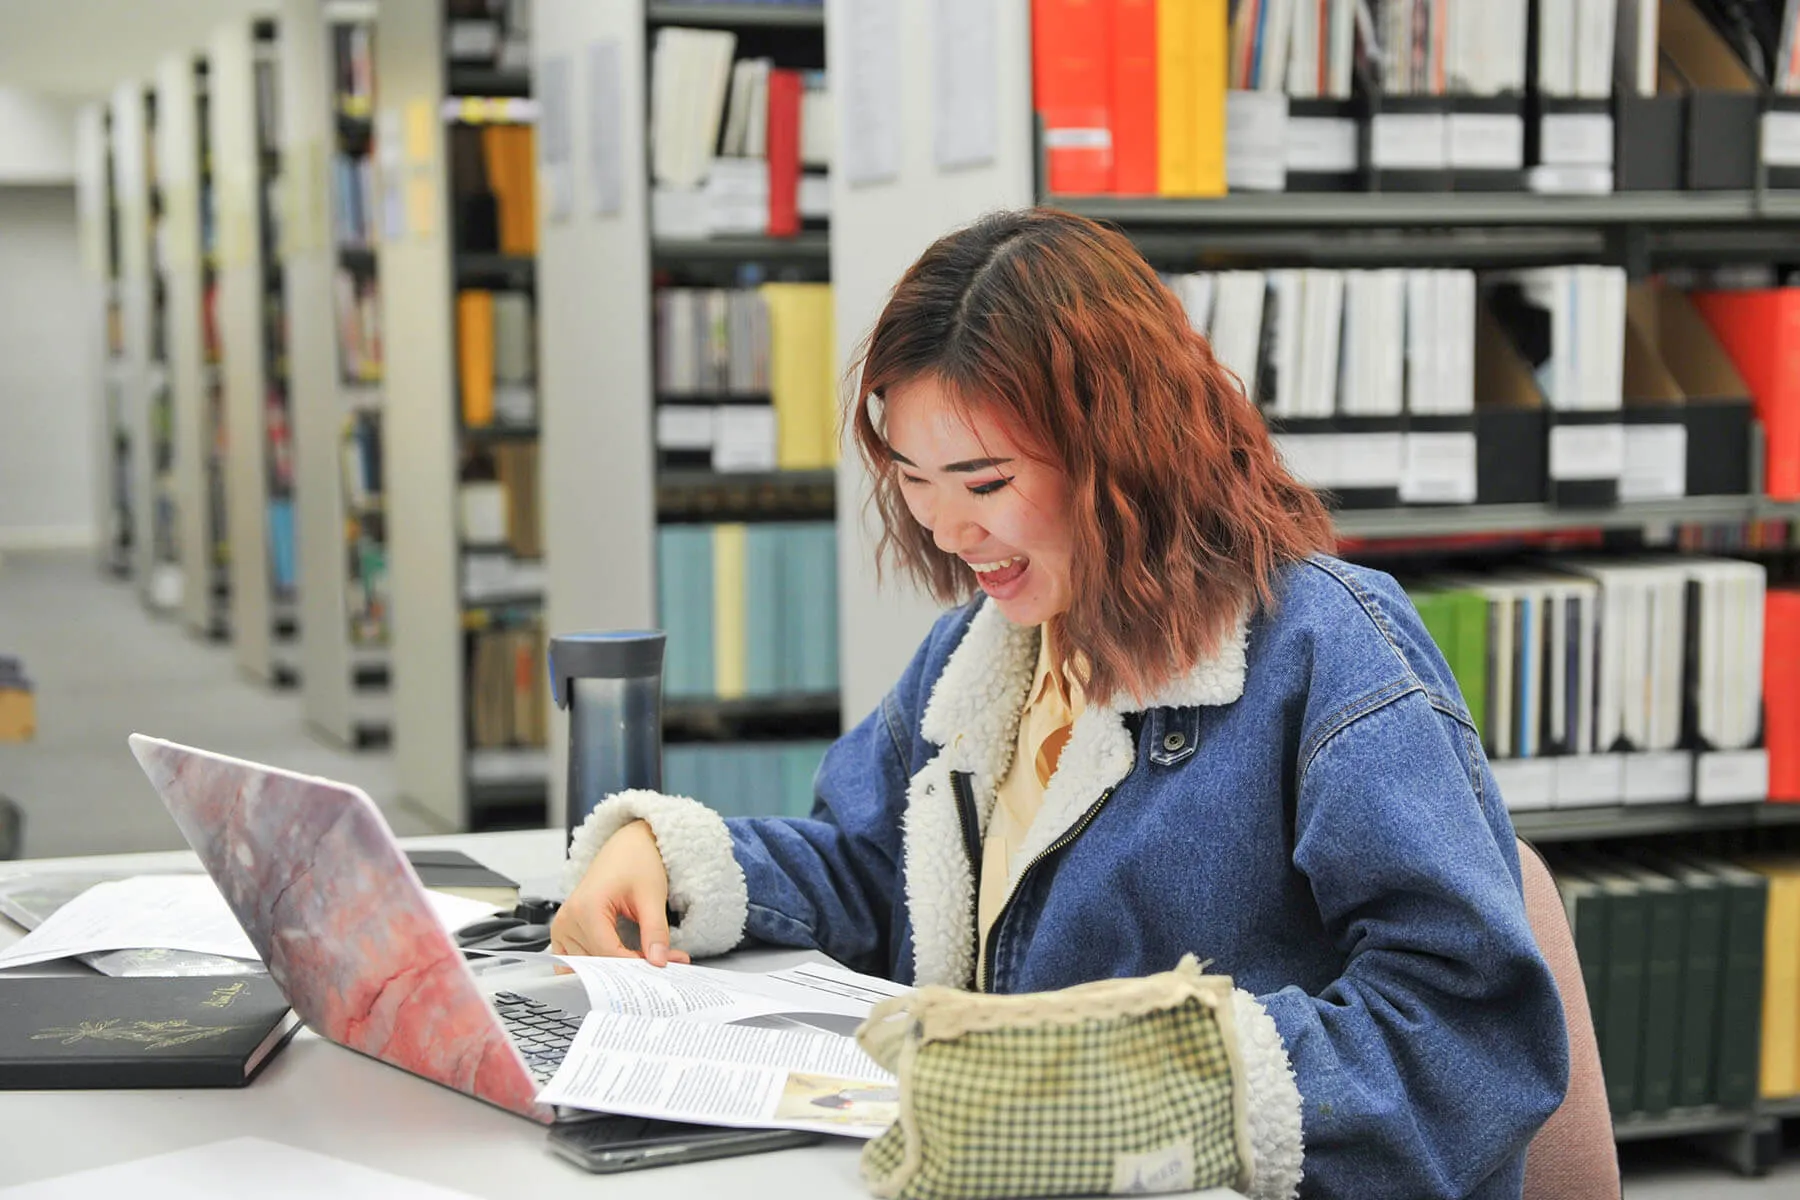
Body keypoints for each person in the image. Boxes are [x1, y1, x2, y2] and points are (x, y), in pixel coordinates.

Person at [551, 208, 1569, 1199]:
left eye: (985, 483)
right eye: (912, 478)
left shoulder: (1331, 651)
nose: (946, 529)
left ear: (1123, 451)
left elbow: (1467, 1034)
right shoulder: (984, 651)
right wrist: (669, 859)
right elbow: (873, 865)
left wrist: (1147, 1093)